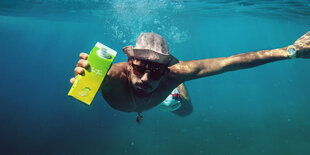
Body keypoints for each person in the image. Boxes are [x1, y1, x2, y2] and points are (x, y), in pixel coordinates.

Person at [70, 32, 310, 123]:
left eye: (155, 71)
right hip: (152, 95)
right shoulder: (110, 75)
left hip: (165, 94)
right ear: (129, 63)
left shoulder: (174, 73)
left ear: (166, 70)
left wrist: (291, 51)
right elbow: (86, 82)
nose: (145, 78)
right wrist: (86, 76)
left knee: (185, 111)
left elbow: (230, 63)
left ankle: (177, 90)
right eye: (141, 68)